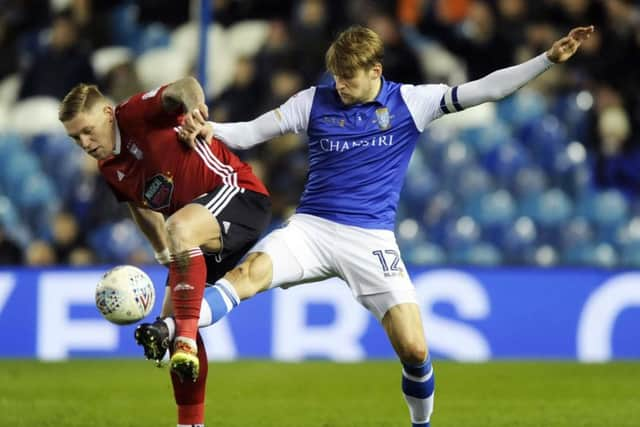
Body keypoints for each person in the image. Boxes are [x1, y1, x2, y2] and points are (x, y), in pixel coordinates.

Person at [179, 25, 592, 426]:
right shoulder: (313, 101)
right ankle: (172, 330)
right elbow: (252, 132)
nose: (340, 85)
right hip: (312, 228)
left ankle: (421, 424)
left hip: (370, 239)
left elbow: (487, 88)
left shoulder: (412, 102)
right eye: (337, 76)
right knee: (247, 275)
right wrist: (210, 131)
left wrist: (546, 60)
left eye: (349, 77)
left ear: (376, 71)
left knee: (414, 348)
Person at [58, 76, 271, 427]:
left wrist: (194, 111)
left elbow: (184, 86)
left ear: (108, 114)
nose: (84, 142)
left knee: (179, 321)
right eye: (75, 137)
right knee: (167, 327)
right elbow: (139, 207)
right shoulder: (109, 168)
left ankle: (185, 336)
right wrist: (163, 253)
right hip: (190, 232)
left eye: (87, 130)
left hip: (236, 194)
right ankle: (190, 423)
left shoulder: (135, 113)